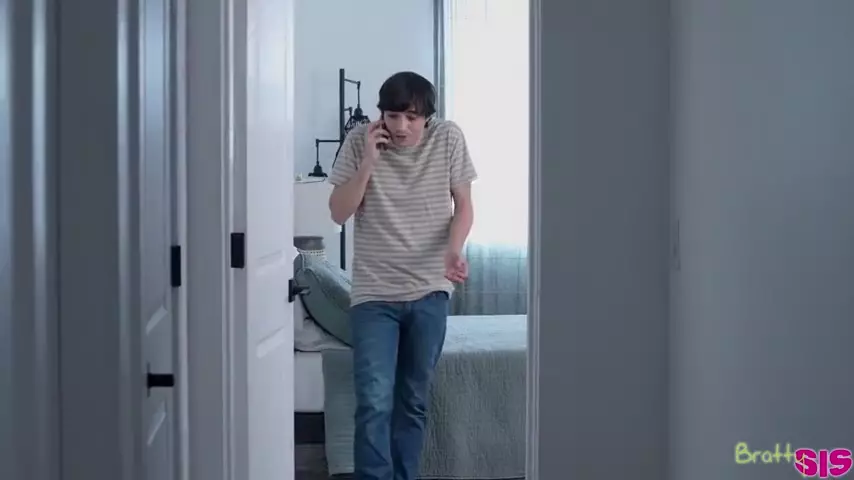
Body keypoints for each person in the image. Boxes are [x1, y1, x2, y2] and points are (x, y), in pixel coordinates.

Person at [327, 71, 477, 480]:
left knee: (412, 400)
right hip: (374, 295)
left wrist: (453, 249)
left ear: (427, 116)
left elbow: (464, 205)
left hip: (430, 289)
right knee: (374, 401)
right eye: (393, 116)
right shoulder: (359, 140)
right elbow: (338, 213)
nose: (401, 127)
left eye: (412, 118)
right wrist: (367, 165)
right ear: (381, 114)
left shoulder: (447, 137)